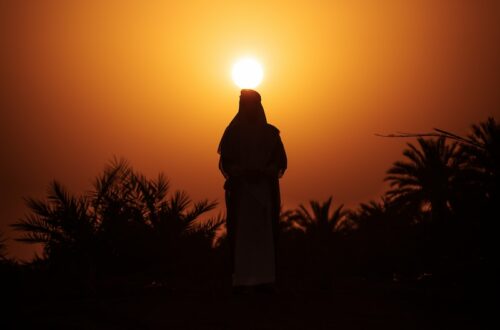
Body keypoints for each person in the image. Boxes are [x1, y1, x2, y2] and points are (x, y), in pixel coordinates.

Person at [218, 89, 287, 292]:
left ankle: (265, 280)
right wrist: (242, 173)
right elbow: (227, 163)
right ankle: (243, 280)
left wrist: (264, 172)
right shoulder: (232, 133)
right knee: (243, 235)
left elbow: (280, 162)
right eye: (244, 102)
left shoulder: (271, 134)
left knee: (264, 234)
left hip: (263, 192)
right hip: (243, 192)